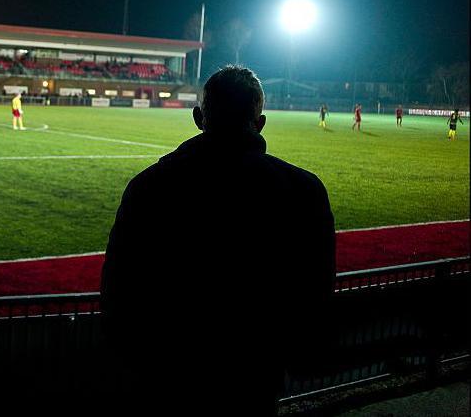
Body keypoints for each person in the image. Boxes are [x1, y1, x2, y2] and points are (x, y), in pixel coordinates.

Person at [101, 66, 335, 415]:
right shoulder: (303, 189)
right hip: (256, 371)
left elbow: (119, 283)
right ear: (260, 122)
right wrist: (299, 358)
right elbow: (315, 287)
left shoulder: (150, 186)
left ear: (198, 117)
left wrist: (130, 361)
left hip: (166, 369)